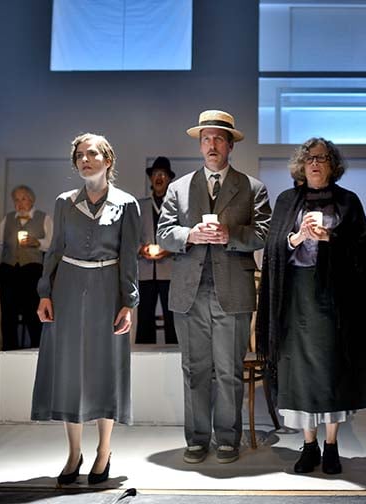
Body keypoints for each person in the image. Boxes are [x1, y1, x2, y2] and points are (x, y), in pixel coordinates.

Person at [157, 110, 271, 464]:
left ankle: (227, 439)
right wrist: (189, 234)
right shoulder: (178, 188)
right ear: (200, 144)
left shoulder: (252, 187)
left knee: (228, 371)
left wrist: (230, 234)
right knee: (194, 370)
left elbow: (263, 233)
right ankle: (196, 439)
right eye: (206, 138)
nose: (212, 145)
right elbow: (163, 234)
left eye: (219, 138)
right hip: (189, 293)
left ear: (230, 145)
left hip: (233, 291)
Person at [256, 137, 366, 475]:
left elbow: (361, 247)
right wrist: (296, 238)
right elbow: (273, 247)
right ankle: (309, 445)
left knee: (331, 370)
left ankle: (332, 445)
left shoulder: (348, 202)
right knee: (300, 373)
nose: (315, 163)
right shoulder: (287, 200)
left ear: (333, 165)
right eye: (309, 158)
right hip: (295, 299)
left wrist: (329, 239)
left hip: (335, 300)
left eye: (322, 158)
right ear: (301, 165)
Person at [30, 133, 140, 484]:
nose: (85, 160)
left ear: (108, 160)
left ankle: (104, 451)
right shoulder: (64, 202)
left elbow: (129, 257)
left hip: (108, 290)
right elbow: (54, 250)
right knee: (69, 369)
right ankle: (74, 452)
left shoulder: (126, 204)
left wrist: (129, 302)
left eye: (92, 154)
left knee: (105, 368)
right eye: (79, 155)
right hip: (68, 288)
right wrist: (45, 292)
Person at [0, 185, 53, 350]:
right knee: (8, 313)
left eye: (23, 199)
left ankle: (36, 351)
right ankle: (8, 352)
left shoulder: (44, 218)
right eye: (16, 200)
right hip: (9, 269)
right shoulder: (8, 219)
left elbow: (52, 245)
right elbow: (0, 246)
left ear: (31, 200)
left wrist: (37, 242)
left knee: (32, 311)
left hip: (32, 270)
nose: (19, 203)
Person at [136, 156, 177, 344]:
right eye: (155, 174)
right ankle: (143, 357)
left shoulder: (176, 206)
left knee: (172, 318)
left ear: (169, 179)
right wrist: (140, 249)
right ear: (151, 178)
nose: (159, 177)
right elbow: (130, 236)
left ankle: (175, 356)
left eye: (163, 174)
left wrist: (169, 249)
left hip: (170, 271)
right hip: (145, 271)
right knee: (144, 317)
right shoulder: (139, 206)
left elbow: (183, 235)